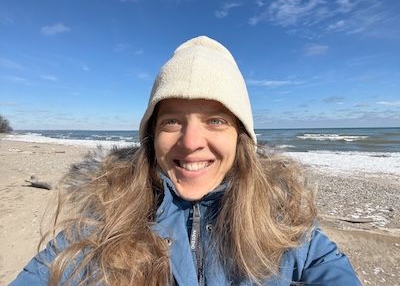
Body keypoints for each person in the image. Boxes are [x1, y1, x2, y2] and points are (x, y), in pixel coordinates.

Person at [10, 36, 361, 285]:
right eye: (172, 121)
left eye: (216, 120)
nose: (191, 143)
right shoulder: (106, 210)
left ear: (241, 137)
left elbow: (322, 261)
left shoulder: (279, 213)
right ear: (151, 135)